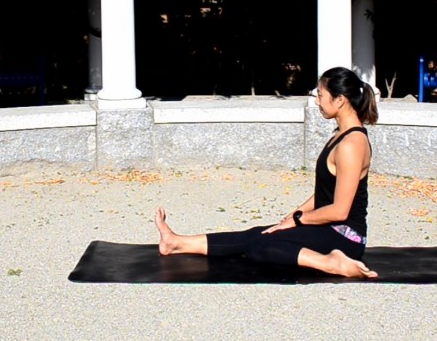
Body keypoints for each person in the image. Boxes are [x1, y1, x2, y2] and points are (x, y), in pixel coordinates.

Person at [154, 66, 379, 278]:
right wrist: (293, 215)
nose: (317, 101)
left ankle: (332, 262)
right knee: (261, 233)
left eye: (320, 95)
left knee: (261, 246)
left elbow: (340, 211)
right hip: (328, 228)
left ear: (339, 100)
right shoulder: (340, 135)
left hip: (346, 236)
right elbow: (325, 193)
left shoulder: (352, 145)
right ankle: (175, 242)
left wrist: (299, 221)